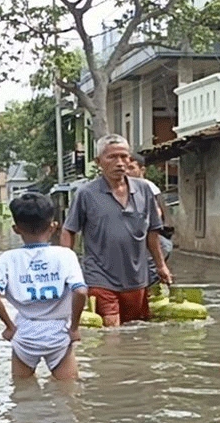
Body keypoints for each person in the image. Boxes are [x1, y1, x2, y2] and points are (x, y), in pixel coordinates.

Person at [60, 135, 172, 326]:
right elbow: (69, 231)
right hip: (99, 277)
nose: (120, 163)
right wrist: (66, 269)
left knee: (135, 330)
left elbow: (153, 232)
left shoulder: (144, 190)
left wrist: (161, 266)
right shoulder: (86, 194)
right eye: (112, 157)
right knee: (111, 330)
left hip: (137, 277)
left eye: (124, 157)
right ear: (98, 162)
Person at [0, 193, 88, 381]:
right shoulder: (65, 255)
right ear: (53, 226)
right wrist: (74, 327)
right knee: (69, 393)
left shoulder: (8, 259)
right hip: (58, 333)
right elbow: (80, 291)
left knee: (22, 392)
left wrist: (9, 326)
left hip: (25, 333)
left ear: (16, 229)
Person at [125, 155, 175, 287]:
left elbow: (156, 213)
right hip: (151, 239)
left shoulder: (145, 187)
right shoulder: (133, 187)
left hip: (157, 238)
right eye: (126, 168)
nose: (127, 172)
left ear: (142, 170)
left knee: (150, 273)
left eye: (131, 168)